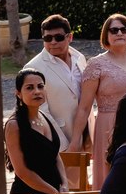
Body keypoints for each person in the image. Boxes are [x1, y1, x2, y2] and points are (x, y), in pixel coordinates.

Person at [70, 14, 126, 189]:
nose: (119, 33)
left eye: (124, 29)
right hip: (111, 128)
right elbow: (84, 107)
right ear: (106, 35)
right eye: (114, 30)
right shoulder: (96, 64)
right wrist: (75, 140)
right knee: (115, 178)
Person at [23, 14, 86, 144]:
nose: (53, 42)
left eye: (58, 37)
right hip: (58, 139)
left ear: (70, 37)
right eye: (48, 38)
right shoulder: (33, 67)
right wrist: (62, 146)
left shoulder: (79, 58)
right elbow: (39, 111)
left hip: (87, 135)